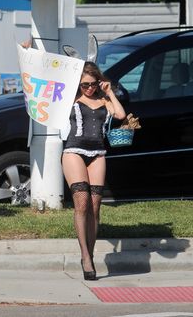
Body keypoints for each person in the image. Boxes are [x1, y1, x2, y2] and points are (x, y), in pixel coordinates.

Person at [61, 61, 126, 280]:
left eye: (92, 84)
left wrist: (109, 92)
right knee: (82, 202)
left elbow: (120, 115)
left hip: (98, 152)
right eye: (84, 85)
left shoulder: (104, 99)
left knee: (95, 207)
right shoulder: (71, 97)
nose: (89, 88)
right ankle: (85, 257)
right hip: (74, 151)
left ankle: (89, 251)